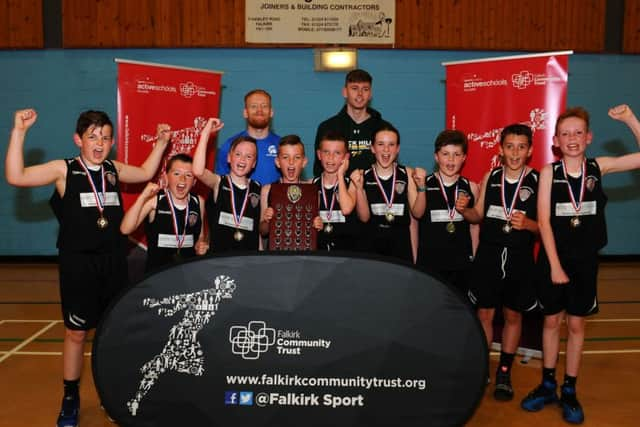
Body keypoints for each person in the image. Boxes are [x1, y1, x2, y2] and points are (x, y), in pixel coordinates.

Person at [5, 109, 171, 427]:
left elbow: (146, 171)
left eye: (106, 137)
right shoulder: (63, 170)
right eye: (92, 137)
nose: (99, 143)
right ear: (78, 139)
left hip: (113, 262)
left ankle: (112, 394)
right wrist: (19, 131)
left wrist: (162, 142)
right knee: (76, 332)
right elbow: (16, 176)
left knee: (113, 332)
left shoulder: (112, 168)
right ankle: (70, 397)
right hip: (77, 263)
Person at [520, 104, 640, 424]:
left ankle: (569, 390)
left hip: (585, 262)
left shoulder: (600, 167)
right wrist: (555, 266)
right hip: (552, 260)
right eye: (565, 133)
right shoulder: (549, 173)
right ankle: (547, 384)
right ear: (556, 141)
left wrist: (630, 120)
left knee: (576, 326)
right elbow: (543, 222)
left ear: (588, 137)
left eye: (577, 133)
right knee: (550, 323)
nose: (571, 138)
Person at [457, 124, 539, 401]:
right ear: (500, 149)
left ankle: (504, 371)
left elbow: (547, 228)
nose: (515, 153)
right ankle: (483, 367)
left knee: (514, 315)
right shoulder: (491, 176)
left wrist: (529, 224)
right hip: (489, 255)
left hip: (520, 258)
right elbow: (478, 215)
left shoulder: (539, 181)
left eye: (521, 147)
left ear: (530, 150)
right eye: (509, 146)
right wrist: (463, 210)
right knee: (484, 314)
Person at [351, 122, 426, 262]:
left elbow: (418, 213)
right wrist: (359, 189)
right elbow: (364, 217)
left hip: (400, 246)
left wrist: (422, 187)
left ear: (397, 149)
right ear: (372, 148)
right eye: (380, 144)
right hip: (371, 246)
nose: (386, 150)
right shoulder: (363, 176)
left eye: (391, 144)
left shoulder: (407, 173)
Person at [120, 153, 208, 272]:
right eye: (176, 173)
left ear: (194, 181)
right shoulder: (154, 200)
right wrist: (142, 197)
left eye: (188, 175)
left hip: (188, 273)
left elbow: (201, 236)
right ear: (166, 177)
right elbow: (125, 229)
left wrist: (201, 243)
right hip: (157, 275)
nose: (182, 179)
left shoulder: (199, 202)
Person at [416, 130, 479, 291]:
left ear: (464, 158)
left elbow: (474, 225)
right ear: (436, 157)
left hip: (461, 264)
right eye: (445, 154)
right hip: (430, 263)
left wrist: (475, 258)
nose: (451, 160)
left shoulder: (471, 187)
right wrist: (416, 258)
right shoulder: (424, 185)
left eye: (457, 154)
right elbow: (415, 222)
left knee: (460, 312)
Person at [193, 118, 263, 252]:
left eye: (249, 157)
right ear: (229, 158)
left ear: (254, 163)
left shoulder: (258, 188)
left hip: (247, 261)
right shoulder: (218, 182)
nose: (242, 159)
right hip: (219, 260)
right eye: (238, 154)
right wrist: (206, 134)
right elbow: (197, 171)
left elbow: (256, 230)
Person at [313, 69, 384, 176]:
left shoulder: (382, 128)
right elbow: (319, 170)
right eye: (354, 88)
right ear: (345, 92)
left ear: (370, 94)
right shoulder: (327, 127)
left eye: (365, 89)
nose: (360, 94)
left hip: (374, 190)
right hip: (338, 191)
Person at [259, 135, 322, 240]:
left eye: (297, 157)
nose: (291, 162)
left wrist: (318, 225)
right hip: (277, 253)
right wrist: (266, 220)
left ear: (304, 162)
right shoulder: (268, 189)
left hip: (305, 253)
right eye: (285, 157)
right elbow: (263, 231)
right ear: (278, 162)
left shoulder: (312, 191)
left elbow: (317, 230)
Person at [215, 89, 280, 185]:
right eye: (254, 106)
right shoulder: (230, 145)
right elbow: (220, 184)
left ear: (271, 112)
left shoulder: (282, 145)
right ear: (245, 113)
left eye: (264, 106)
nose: (259, 110)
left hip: (274, 200)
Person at [313, 131, 358, 251]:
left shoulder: (352, 184)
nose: (330, 157)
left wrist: (340, 175)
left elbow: (346, 209)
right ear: (319, 154)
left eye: (337, 153)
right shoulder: (311, 185)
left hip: (346, 254)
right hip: (319, 253)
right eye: (326, 152)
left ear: (346, 157)